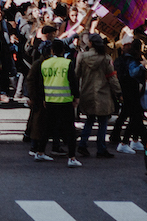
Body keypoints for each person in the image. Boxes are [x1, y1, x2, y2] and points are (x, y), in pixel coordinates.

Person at [31, 38, 82, 167]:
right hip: (65, 100)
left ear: (52, 50)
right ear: (63, 50)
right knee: (70, 130)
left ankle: (40, 152)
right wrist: (76, 96)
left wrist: (43, 98)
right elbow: (72, 81)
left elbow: (42, 83)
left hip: (49, 100)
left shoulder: (45, 64)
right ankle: (72, 157)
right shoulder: (67, 63)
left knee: (47, 128)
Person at [75, 34, 119, 159]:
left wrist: (75, 92)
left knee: (89, 120)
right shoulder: (105, 58)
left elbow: (77, 74)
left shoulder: (82, 57)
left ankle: (83, 144)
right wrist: (118, 92)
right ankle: (101, 148)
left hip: (87, 91)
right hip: (102, 93)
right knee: (103, 122)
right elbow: (111, 77)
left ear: (90, 43)